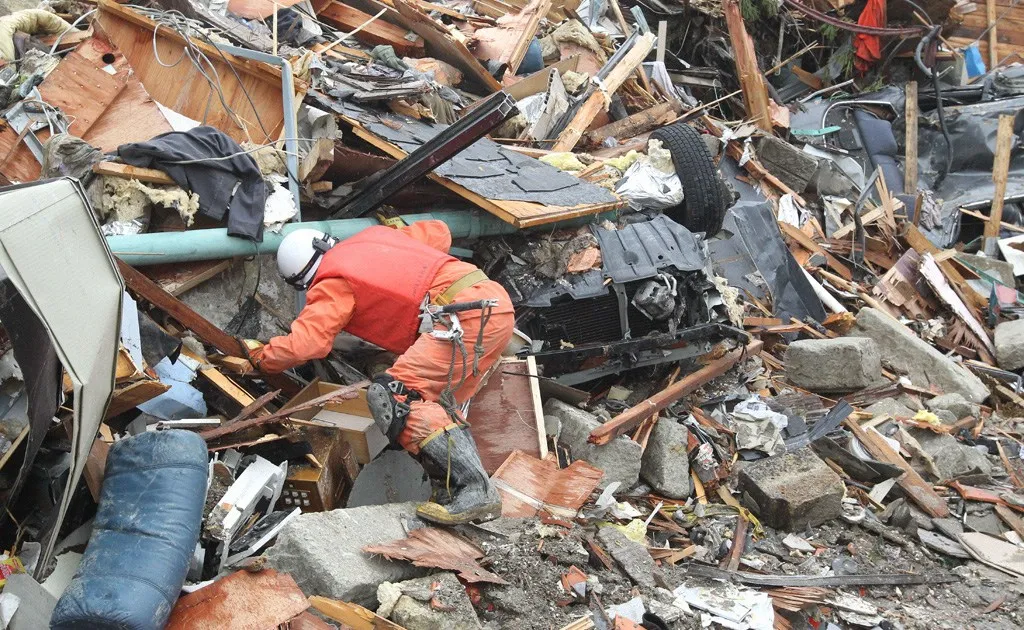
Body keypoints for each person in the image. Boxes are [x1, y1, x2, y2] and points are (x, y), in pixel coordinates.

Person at [249, 220, 515, 524]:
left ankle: (476, 490)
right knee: (432, 404)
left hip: (461, 318)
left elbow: (306, 345)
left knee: (393, 396)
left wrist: (262, 358)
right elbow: (440, 230)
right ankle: (452, 492)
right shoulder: (376, 237)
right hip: (491, 304)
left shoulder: (332, 281)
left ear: (301, 279)